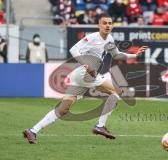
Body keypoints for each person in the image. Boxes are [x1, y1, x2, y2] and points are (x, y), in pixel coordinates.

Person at [23, 13, 148, 144]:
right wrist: (87, 65)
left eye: (110, 23)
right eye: (104, 23)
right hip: (85, 73)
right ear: (99, 25)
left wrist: (134, 54)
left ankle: (33, 131)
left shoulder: (109, 39)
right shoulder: (93, 38)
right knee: (116, 92)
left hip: (81, 76)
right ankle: (100, 126)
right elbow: (73, 49)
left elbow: (116, 54)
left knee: (63, 109)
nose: (107, 25)